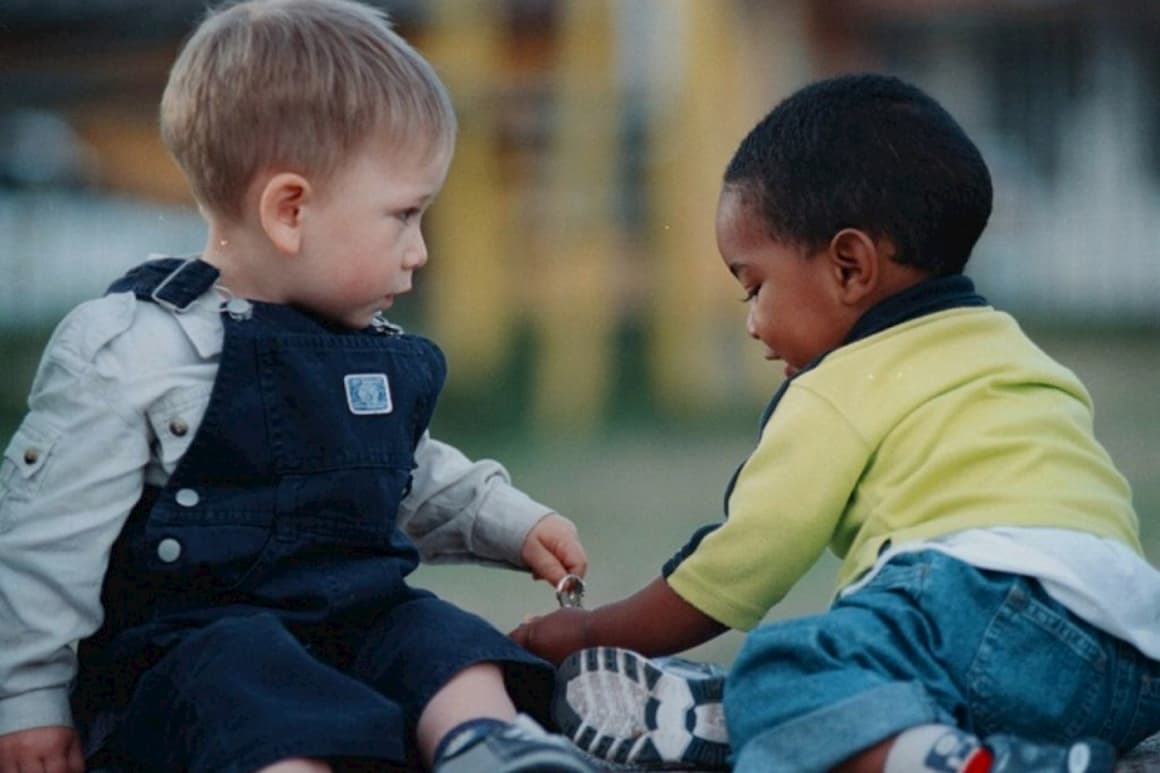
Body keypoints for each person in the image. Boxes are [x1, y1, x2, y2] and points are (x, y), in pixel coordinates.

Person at [0, 1, 602, 772]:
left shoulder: (363, 348)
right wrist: (27, 697)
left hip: (345, 632)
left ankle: (488, 745)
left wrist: (510, 522)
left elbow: (403, 475)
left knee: (428, 631)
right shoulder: (136, 347)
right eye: (404, 216)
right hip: (189, 664)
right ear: (290, 210)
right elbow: (47, 538)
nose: (418, 251)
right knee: (240, 669)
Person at [512, 73, 1160, 773]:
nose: (754, 324)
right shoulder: (1013, 348)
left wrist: (588, 630)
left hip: (976, 605)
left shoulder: (839, 384)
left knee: (782, 664)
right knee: (882, 681)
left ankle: (809, 729)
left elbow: (741, 564)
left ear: (850, 266)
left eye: (755, 286)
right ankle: (967, 747)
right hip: (1128, 655)